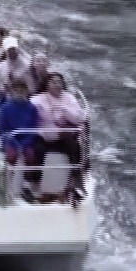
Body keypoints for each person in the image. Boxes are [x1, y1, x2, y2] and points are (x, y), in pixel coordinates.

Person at [32, 71, 88, 201]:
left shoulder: (69, 98)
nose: (57, 85)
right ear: (46, 84)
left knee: (74, 144)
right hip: (43, 134)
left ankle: (76, 179)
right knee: (37, 150)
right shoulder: (37, 99)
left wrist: (64, 109)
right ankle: (35, 183)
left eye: (59, 82)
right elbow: (31, 117)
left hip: (61, 136)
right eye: (53, 82)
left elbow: (79, 118)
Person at [0, 79, 44, 200]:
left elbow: (34, 128)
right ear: (12, 92)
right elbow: (4, 129)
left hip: (27, 139)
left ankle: (26, 186)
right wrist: (15, 144)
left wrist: (25, 143)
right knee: (11, 156)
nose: (19, 93)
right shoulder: (5, 108)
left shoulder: (32, 108)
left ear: (27, 92)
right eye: (16, 90)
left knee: (30, 155)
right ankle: (7, 186)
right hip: (11, 139)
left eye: (22, 90)